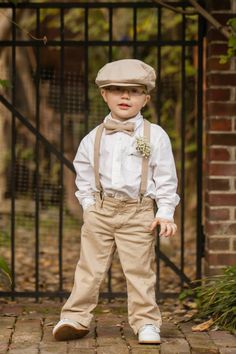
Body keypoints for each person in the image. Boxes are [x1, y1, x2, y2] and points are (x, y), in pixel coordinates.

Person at [53, 59, 180, 344]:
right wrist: (88, 205)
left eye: (134, 91)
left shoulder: (155, 135)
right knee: (89, 267)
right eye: (117, 90)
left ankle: (146, 321)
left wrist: (166, 212)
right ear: (104, 94)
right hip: (101, 209)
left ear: (145, 98)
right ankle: (75, 317)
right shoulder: (92, 138)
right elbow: (83, 175)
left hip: (139, 212)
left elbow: (166, 176)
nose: (125, 96)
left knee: (139, 269)